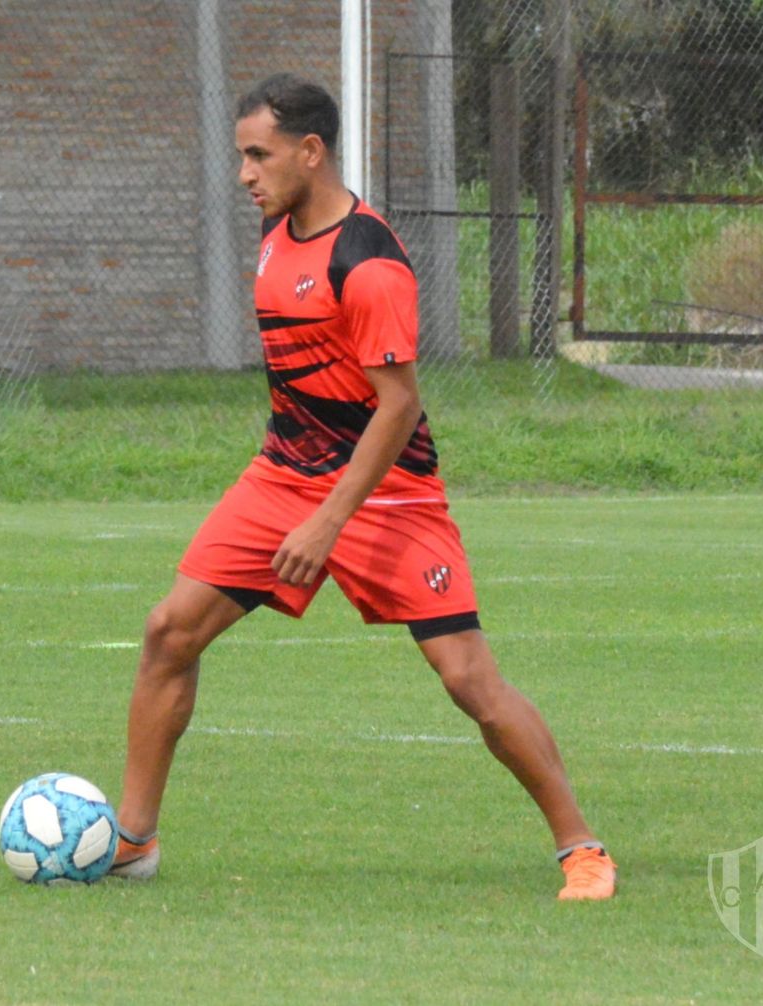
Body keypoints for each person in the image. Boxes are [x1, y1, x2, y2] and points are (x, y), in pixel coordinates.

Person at [109, 73, 616, 899]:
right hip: (283, 475)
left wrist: (326, 523)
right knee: (170, 633)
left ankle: (582, 848)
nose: (244, 173)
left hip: (388, 495)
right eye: (241, 156)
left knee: (469, 682)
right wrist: (296, 499)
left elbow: (398, 405)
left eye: (258, 155)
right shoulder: (276, 233)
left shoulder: (369, 261)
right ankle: (132, 842)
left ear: (311, 152)